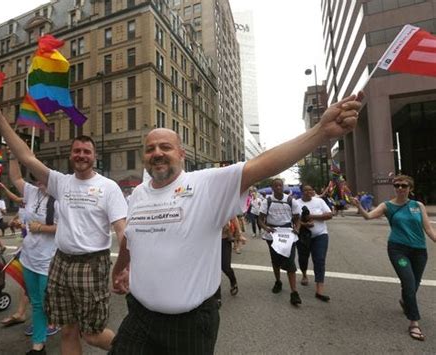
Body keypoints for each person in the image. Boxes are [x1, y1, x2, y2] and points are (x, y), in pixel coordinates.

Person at [109, 93, 362, 354]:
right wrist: (120, 267)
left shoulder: (205, 184)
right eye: (150, 149)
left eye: (165, 147)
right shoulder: (138, 194)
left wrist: (321, 132)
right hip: (138, 316)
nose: (157, 153)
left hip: (189, 326)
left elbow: (261, 165)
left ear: (181, 154)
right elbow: (131, 236)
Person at [0, 98, 128, 355]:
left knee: (92, 335)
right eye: (77, 151)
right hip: (60, 263)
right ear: (71, 155)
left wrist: (124, 266)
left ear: (94, 156)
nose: (81, 155)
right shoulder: (60, 182)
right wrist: (0, 121)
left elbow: (122, 230)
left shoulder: (109, 187)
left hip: (92, 264)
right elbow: (26, 157)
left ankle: (131, 350)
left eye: (86, 151)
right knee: (68, 329)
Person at [352, 175, 436, 341]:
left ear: (410, 188)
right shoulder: (387, 206)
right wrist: (359, 206)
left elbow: (428, 229)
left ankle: (406, 301)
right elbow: (368, 217)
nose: (400, 188)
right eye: (397, 185)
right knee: (408, 282)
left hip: (419, 251)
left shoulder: (418, 206)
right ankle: (414, 323)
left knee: (415, 283)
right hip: (398, 250)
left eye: (404, 185)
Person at [7, 154, 59, 355]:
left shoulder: (59, 198)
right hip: (29, 258)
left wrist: (42, 228)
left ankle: (63, 326)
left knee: (47, 301)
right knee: (36, 302)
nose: (39, 181)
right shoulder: (31, 192)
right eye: (36, 176)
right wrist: (13, 155)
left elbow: (65, 228)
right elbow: (16, 178)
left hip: (48, 260)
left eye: (42, 176)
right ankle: (39, 344)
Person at [258, 178, 301, 306]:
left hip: (288, 234)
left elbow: (297, 218)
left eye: (280, 186)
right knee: (275, 261)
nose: (278, 188)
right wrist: (266, 228)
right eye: (275, 186)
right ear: (272, 187)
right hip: (272, 235)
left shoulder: (290, 200)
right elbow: (260, 219)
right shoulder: (268, 201)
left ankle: (294, 292)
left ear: (283, 187)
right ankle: (278, 281)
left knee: (290, 262)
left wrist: (297, 228)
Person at [293, 184, 333, 302]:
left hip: (320, 235)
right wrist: (305, 224)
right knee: (303, 258)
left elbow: (329, 215)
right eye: (305, 190)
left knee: (319, 260)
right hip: (303, 236)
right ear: (301, 192)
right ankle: (304, 274)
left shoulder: (319, 201)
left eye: (310, 190)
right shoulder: (296, 203)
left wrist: (312, 216)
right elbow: (294, 219)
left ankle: (319, 290)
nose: (308, 192)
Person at [214, 216, 241, 307]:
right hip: (210, 240)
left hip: (224, 238)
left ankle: (233, 281)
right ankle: (217, 296)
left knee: (225, 266)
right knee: (214, 269)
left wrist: (239, 233)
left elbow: (233, 217)